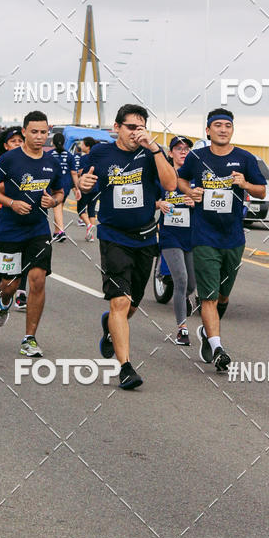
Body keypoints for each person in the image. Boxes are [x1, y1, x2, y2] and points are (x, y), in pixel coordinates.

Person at [79, 104, 177, 390]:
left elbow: (170, 184)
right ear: (117, 128)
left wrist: (155, 149)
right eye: (131, 127)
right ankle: (125, 368)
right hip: (114, 236)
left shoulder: (151, 154)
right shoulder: (100, 153)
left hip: (145, 237)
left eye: (141, 127)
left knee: (132, 305)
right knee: (120, 301)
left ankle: (110, 327)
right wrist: (84, 184)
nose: (136, 132)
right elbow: (85, 185)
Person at [178, 109, 266, 373]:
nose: (223, 129)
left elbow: (262, 190)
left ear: (232, 130)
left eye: (227, 125)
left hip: (233, 238)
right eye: (217, 125)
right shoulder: (197, 157)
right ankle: (218, 349)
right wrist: (190, 191)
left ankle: (208, 333)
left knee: (223, 297)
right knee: (209, 297)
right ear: (208, 130)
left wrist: (245, 184)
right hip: (204, 236)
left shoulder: (245, 158)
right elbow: (180, 179)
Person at [0, 111, 64, 357]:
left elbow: (60, 192)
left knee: (38, 280)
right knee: (10, 285)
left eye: (43, 132)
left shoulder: (52, 162)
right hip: (10, 230)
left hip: (38, 230)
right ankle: (4, 301)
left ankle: (29, 338)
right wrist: (11, 203)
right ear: (25, 132)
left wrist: (53, 201)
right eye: (34, 132)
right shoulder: (9, 159)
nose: (39, 136)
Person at [156, 136, 196, 346]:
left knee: (191, 285)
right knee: (181, 279)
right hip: (170, 236)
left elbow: (207, 204)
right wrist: (159, 203)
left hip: (191, 235)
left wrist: (195, 202)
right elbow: (148, 198)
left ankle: (183, 296)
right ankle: (182, 329)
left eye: (187, 148)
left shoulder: (195, 177)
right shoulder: (163, 175)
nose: (183, 152)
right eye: (178, 148)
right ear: (170, 153)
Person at [0, 126, 29, 308]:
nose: (17, 144)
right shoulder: (0, 161)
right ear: (6, 145)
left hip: (27, 212)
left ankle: (21, 292)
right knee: (3, 253)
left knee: (26, 253)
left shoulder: (32, 160)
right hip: (2, 212)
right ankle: (1, 288)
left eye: (20, 141)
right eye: (13, 141)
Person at [50, 132, 80, 242]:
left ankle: (61, 231)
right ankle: (56, 232)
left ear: (52, 142)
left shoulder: (49, 155)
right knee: (59, 207)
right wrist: (77, 188)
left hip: (54, 184)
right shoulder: (69, 155)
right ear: (64, 142)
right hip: (66, 184)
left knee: (57, 206)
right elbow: (74, 173)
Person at [76, 136, 98, 239]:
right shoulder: (98, 158)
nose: (81, 146)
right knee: (91, 210)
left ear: (87, 146)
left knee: (80, 209)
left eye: (82, 144)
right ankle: (91, 235)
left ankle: (89, 225)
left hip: (86, 187)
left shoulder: (84, 158)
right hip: (96, 187)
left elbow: (80, 172)